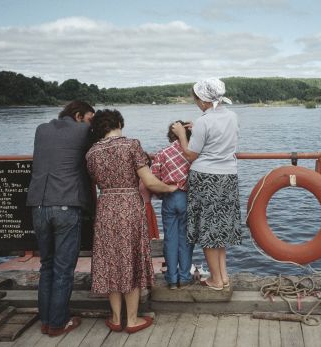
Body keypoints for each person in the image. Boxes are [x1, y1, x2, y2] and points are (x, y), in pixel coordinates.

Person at [86, 109, 177, 334]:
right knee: (131, 259)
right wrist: (170, 187)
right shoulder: (131, 145)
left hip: (106, 206)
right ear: (119, 123)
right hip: (128, 206)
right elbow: (150, 182)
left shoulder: (92, 153)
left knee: (112, 262)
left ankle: (116, 318)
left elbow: (96, 181)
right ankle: (133, 319)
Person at [26, 100, 95, 337]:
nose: (91, 123)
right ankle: (57, 323)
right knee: (63, 269)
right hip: (66, 204)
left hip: (38, 204)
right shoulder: (84, 130)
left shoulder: (41, 129)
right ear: (78, 116)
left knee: (47, 265)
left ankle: (46, 320)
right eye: (89, 118)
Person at [172, 78, 241, 291]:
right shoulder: (232, 115)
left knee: (208, 230)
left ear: (202, 100)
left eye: (196, 99)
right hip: (228, 176)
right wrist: (199, 128)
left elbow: (191, 155)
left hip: (205, 178)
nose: (195, 103)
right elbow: (218, 134)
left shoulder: (203, 121)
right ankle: (223, 276)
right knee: (218, 229)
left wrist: (182, 134)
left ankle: (216, 280)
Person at [151, 121, 194, 289]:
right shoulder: (192, 153)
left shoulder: (162, 153)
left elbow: (154, 178)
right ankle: (184, 277)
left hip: (169, 197)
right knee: (186, 240)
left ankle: (171, 279)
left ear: (170, 136)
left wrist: (163, 192)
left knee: (170, 238)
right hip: (186, 197)